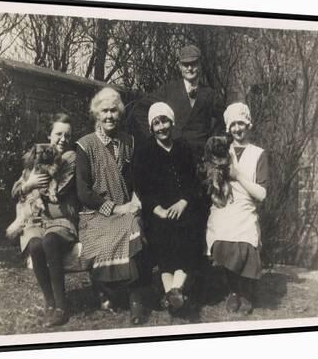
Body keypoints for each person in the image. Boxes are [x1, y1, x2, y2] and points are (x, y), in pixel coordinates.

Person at [75, 87, 149, 325]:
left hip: (126, 208)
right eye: (104, 111)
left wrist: (136, 199)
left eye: (114, 111)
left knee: (134, 228)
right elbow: (83, 192)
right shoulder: (85, 145)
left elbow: (138, 177)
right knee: (108, 240)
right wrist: (114, 208)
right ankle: (106, 291)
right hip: (95, 214)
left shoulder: (129, 142)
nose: (109, 116)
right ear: (97, 114)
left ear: (120, 114)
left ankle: (136, 300)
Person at [10, 113, 78, 327]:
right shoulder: (37, 157)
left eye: (67, 135)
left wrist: (34, 184)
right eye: (58, 134)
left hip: (61, 218)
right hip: (36, 220)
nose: (62, 139)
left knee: (49, 240)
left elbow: (61, 187)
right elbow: (15, 190)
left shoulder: (70, 158)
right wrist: (28, 185)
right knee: (35, 245)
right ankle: (49, 303)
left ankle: (61, 306)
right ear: (49, 135)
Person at [135, 102, 202, 314]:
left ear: (171, 123)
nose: (161, 127)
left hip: (185, 208)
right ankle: (176, 294)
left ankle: (171, 294)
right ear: (151, 127)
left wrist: (183, 202)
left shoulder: (184, 149)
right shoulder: (145, 152)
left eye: (165, 121)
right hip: (158, 212)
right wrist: (158, 209)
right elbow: (141, 188)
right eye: (156, 123)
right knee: (163, 242)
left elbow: (195, 182)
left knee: (188, 235)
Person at [204, 102, 269, 315]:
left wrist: (238, 175)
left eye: (241, 123)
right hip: (224, 204)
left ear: (248, 124)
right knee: (221, 232)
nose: (237, 129)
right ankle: (233, 290)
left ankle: (246, 292)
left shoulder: (258, 154)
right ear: (228, 127)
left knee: (246, 235)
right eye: (233, 125)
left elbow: (261, 194)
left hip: (246, 205)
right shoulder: (222, 148)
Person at [127, 44, 224, 160]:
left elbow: (223, 119)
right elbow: (140, 109)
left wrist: (212, 141)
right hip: (174, 154)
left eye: (193, 64)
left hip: (200, 158)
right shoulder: (169, 90)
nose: (189, 68)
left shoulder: (209, 94)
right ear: (179, 66)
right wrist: (154, 135)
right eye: (185, 65)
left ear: (200, 65)